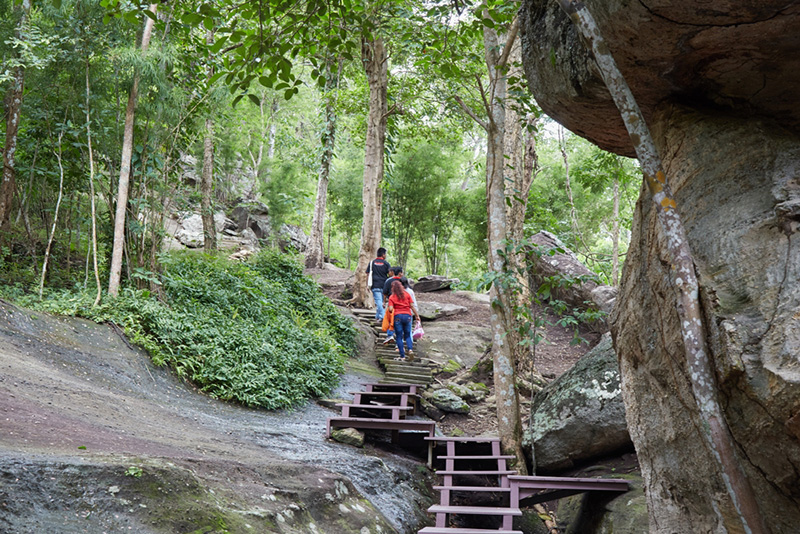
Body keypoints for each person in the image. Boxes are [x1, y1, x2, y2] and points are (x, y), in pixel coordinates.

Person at [386, 279, 420, 361]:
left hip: (397, 317)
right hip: (408, 316)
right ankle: (410, 350)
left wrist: (391, 306)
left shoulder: (392, 297)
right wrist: (417, 316)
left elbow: (390, 309)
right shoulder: (407, 294)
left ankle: (402, 356)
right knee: (408, 335)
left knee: (399, 337)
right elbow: (412, 306)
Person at [381, 266, 405, 345]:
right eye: (402, 272)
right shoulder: (403, 281)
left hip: (391, 302)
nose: (403, 274)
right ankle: (398, 336)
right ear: (399, 273)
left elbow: (385, 292)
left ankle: (390, 334)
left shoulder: (388, 280)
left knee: (390, 319)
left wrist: (384, 302)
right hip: (401, 303)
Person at [366, 248, 391, 322]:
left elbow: (368, 274)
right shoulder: (386, 264)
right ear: (383, 254)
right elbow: (390, 274)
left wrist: (367, 285)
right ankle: (382, 317)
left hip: (375, 285)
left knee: (378, 301)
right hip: (384, 285)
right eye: (385, 254)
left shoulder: (372, 263)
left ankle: (378, 316)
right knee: (380, 302)